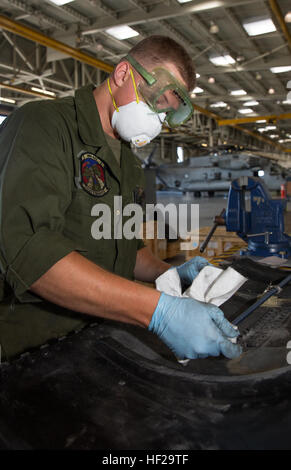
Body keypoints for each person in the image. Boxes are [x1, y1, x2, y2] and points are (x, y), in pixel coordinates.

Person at [0, 35, 242, 362]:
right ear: (123, 73)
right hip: (28, 348)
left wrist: (169, 272)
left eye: (167, 113)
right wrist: (156, 311)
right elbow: (30, 250)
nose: (158, 120)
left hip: (96, 337)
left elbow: (123, 245)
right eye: (155, 100)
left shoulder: (127, 162)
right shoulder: (43, 125)